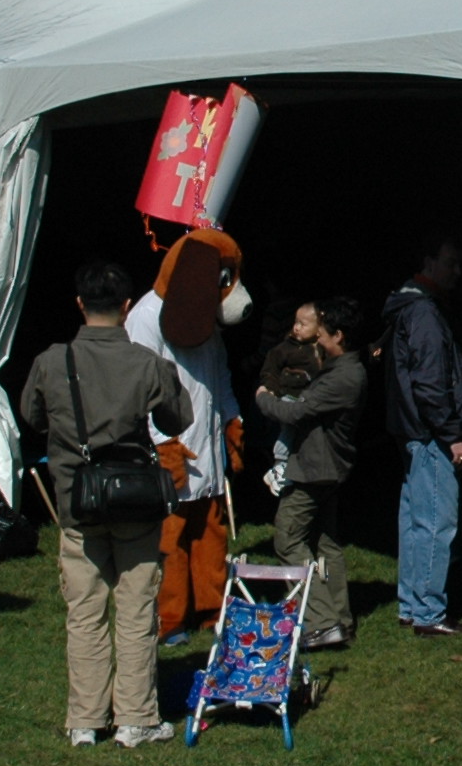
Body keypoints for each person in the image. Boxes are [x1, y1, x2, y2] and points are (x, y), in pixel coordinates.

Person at [18, 257, 193, 748]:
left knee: (85, 611)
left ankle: (86, 720)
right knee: (136, 608)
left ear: (80, 304)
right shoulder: (146, 363)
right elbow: (178, 419)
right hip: (135, 503)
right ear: (127, 306)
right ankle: (135, 718)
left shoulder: (52, 362)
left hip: (77, 502)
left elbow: (32, 416)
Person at [125, 227, 246, 640]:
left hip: (205, 445)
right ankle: (172, 617)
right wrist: (162, 443)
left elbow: (219, 375)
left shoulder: (205, 315)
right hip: (172, 447)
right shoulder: (147, 317)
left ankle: (213, 609)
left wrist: (232, 419)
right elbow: (140, 383)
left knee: (210, 532)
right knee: (170, 536)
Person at [377, 232, 462, 636]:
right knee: (436, 522)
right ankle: (428, 613)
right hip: (428, 434)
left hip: (412, 430)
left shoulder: (412, 307)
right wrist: (453, 433)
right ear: (429, 261)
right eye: (450, 262)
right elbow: (430, 381)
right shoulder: (423, 312)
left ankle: (412, 605)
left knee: (416, 519)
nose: (457, 271)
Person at [254, 295, 366, 650]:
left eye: (324, 332)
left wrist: (263, 398)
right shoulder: (338, 369)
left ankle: (322, 621)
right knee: (324, 543)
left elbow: (295, 412)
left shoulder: (343, 377)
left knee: (287, 538)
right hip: (325, 467)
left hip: (314, 470)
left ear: (339, 336)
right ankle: (339, 620)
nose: (318, 336)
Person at [255, 301, 328, 498]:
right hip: (288, 396)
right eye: (295, 322)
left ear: (319, 328)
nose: (296, 327)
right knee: (289, 426)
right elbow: (270, 370)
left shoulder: (322, 349)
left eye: (303, 324)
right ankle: (279, 465)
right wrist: (269, 389)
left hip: (309, 399)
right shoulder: (285, 349)